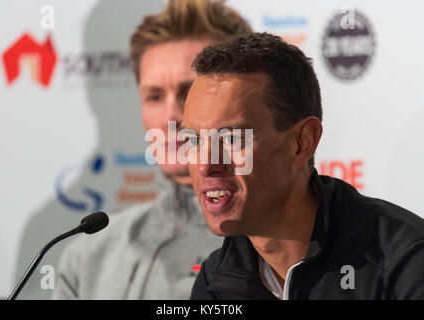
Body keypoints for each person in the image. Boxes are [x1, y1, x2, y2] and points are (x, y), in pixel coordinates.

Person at [182, 32, 424, 300]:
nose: (206, 165)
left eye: (231, 139)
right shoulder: (215, 280)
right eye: (193, 140)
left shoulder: (406, 264)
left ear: (302, 141)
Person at [52, 0, 251, 299]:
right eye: (154, 96)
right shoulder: (88, 255)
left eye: (190, 92)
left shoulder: (278, 248)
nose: (170, 115)